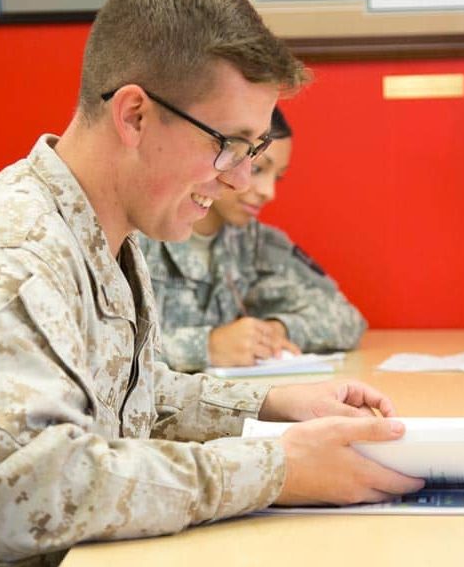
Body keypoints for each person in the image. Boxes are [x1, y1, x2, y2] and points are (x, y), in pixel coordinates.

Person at [0, 0, 424, 567]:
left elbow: (117, 398)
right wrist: (273, 466)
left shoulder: (101, 232)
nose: (240, 180)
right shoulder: (11, 258)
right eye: (229, 145)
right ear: (134, 115)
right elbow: (2, 501)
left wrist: (271, 404)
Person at [140, 107, 366, 372]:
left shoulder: (251, 242)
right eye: (258, 169)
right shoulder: (139, 230)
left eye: (277, 177)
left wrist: (274, 330)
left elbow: (346, 319)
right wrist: (206, 347)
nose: (269, 192)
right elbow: (98, 353)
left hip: (224, 404)